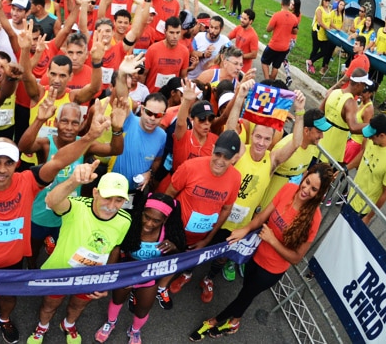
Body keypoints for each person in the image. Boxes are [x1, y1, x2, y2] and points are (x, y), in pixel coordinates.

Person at [0, 112, 111, 344]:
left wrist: (89, 137)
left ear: (17, 163)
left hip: (13, 260)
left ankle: (3, 319)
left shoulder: (28, 181)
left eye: (8, 162)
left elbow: (58, 161)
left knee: (9, 297)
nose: (2, 169)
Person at [189, 163, 334, 340]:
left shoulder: (315, 218)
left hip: (271, 270)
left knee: (244, 295)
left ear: (320, 194)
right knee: (246, 292)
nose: (306, 189)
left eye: (314, 189)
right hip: (255, 255)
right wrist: (246, 229)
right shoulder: (288, 189)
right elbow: (261, 218)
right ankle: (235, 321)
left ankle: (214, 321)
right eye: (307, 182)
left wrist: (272, 240)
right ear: (305, 176)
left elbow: (296, 257)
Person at [25, 165, 132, 344]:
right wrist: (74, 181)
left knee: (77, 305)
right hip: (59, 272)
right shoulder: (77, 206)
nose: (112, 206)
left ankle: (68, 324)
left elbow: (114, 248)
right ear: (96, 193)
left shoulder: (125, 220)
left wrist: (106, 278)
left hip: (89, 276)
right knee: (50, 305)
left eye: (119, 200)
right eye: (107, 198)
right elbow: (52, 201)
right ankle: (42, 327)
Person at [162, 130, 242, 306]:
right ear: (212, 148)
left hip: (201, 237)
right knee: (165, 262)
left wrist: (207, 240)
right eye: (217, 154)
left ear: (235, 158)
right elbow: (168, 196)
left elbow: (226, 209)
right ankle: (158, 288)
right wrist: (164, 229)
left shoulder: (235, 178)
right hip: (176, 231)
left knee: (190, 260)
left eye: (226, 157)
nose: (220, 161)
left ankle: (186, 274)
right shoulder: (190, 167)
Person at [95, 193, 186, 344]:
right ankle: (110, 323)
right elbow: (116, 249)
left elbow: (178, 260)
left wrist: (174, 248)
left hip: (149, 277)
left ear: (166, 219)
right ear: (141, 211)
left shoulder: (168, 234)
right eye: (146, 216)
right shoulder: (131, 225)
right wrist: (108, 276)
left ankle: (135, 331)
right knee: (117, 300)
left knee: (143, 309)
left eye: (156, 221)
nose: (149, 224)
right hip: (127, 271)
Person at [346, 114, 386, 225]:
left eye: (372, 137)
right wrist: (345, 168)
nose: (369, 138)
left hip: (362, 210)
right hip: (350, 196)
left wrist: (369, 217)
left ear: (382, 135)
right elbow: (363, 153)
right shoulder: (374, 139)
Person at [306, 0, 332, 76]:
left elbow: (329, 21)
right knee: (315, 49)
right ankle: (310, 63)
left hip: (324, 34)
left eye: (329, 0)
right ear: (323, 0)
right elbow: (320, 22)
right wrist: (328, 28)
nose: (327, 2)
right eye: (326, 0)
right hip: (317, 31)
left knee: (324, 51)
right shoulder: (319, 9)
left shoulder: (328, 9)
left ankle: (310, 61)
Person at [228, 10, 258, 75]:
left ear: (251, 21)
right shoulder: (239, 28)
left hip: (243, 69)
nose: (241, 20)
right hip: (233, 63)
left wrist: (240, 55)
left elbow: (254, 54)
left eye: (245, 19)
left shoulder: (253, 36)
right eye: (241, 17)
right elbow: (228, 38)